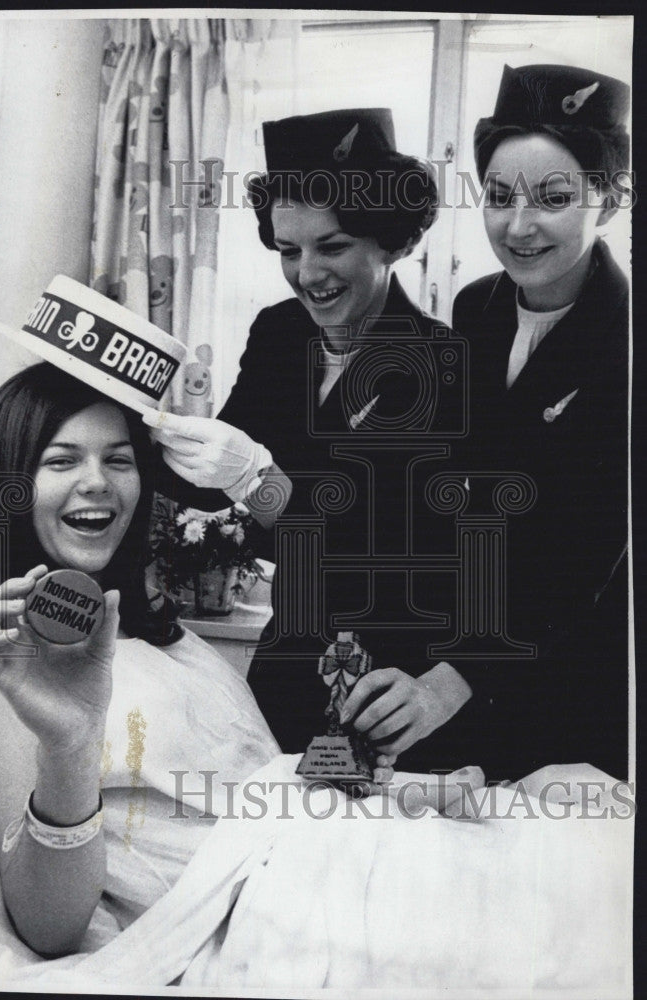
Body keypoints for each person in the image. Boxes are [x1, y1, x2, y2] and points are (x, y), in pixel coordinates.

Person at [150, 108, 479, 771]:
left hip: (393, 678)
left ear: (390, 241)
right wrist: (164, 430)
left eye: (331, 246)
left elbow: (369, 551)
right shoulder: (279, 334)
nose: (307, 274)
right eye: (287, 250)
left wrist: (256, 481)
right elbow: (211, 488)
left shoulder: (442, 363)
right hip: (288, 659)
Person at [0, 361, 280, 957]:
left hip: (312, 864)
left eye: (118, 460)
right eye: (61, 460)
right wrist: (70, 745)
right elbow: (49, 924)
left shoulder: (162, 632)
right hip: (245, 924)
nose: (98, 481)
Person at [450, 64, 631, 779]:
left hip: (573, 694)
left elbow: (587, 557)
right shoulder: (475, 309)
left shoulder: (626, 340)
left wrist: (459, 674)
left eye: (553, 199)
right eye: (497, 197)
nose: (517, 227)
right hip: (465, 672)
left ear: (609, 201)